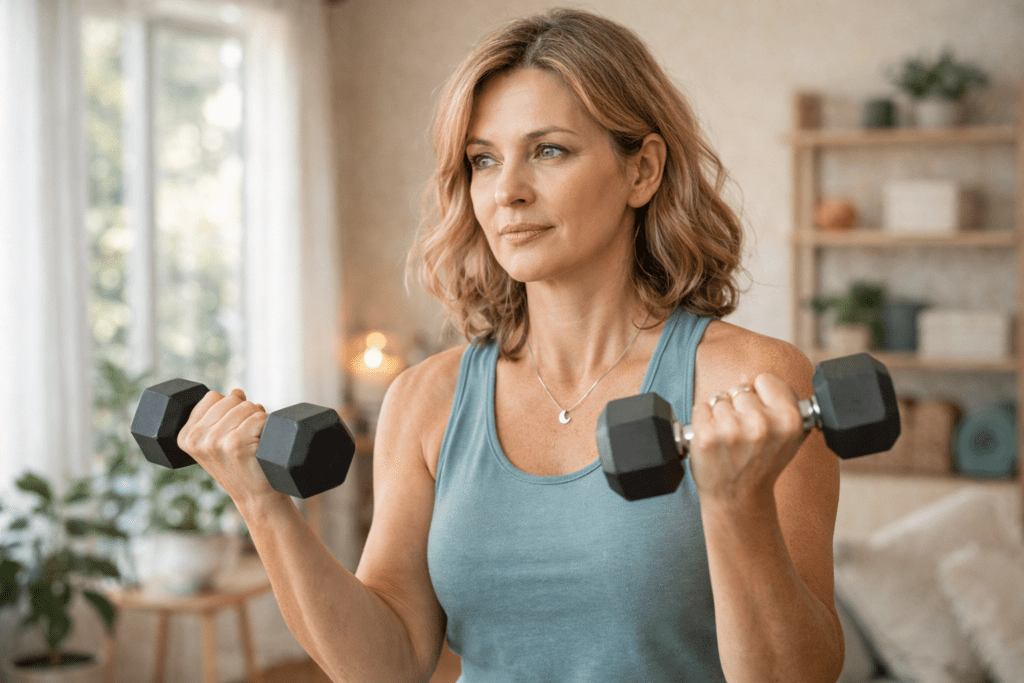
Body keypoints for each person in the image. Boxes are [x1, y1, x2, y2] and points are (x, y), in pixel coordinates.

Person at [175, 8, 844, 683]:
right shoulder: (426, 398)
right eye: (483, 160)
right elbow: (386, 665)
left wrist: (736, 503)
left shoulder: (751, 382)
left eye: (549, 150)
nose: (507, 192)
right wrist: (263, 507)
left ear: (642, 170)